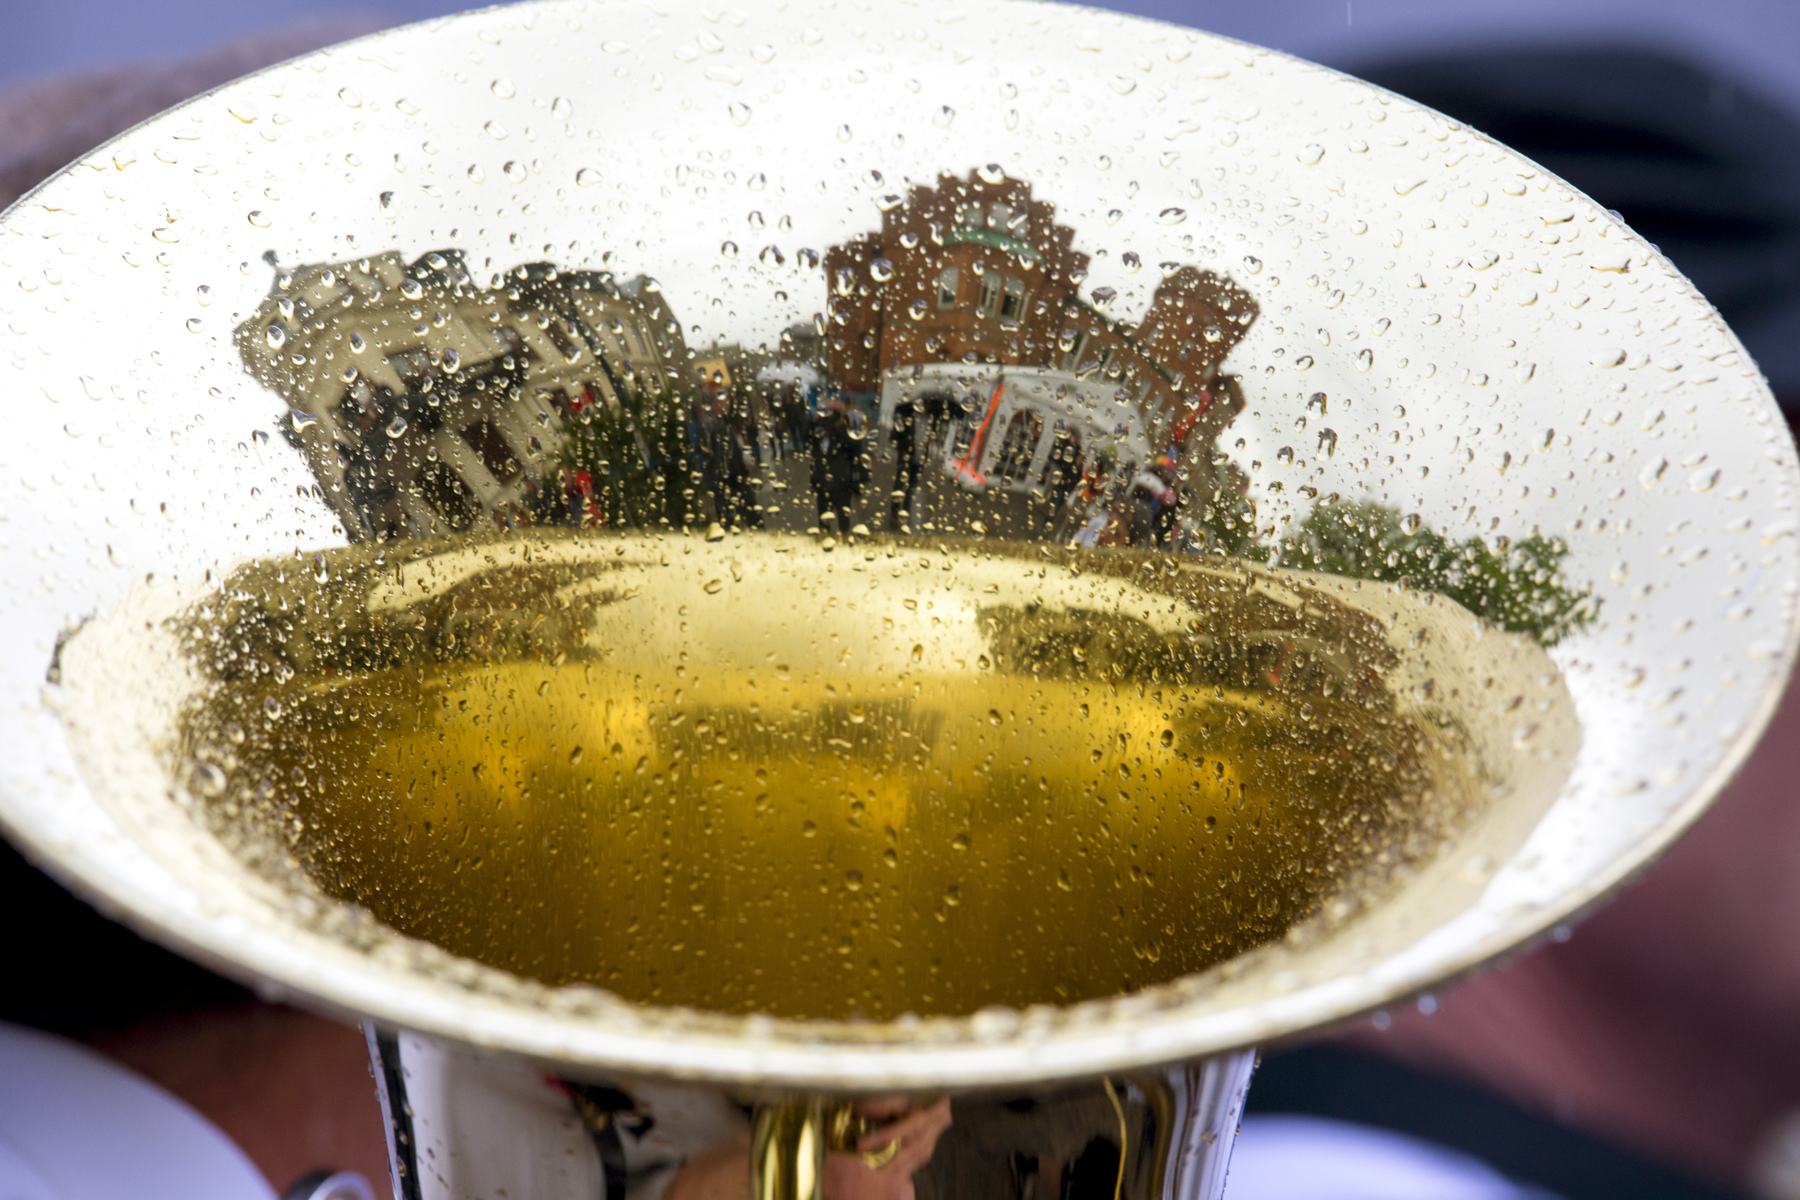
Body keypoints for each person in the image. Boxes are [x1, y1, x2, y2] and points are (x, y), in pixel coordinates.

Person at [888, 399, 925, 533]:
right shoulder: (905, 411)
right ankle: (895, 511)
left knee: (912, 485)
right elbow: (897, 433)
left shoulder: (928, 416)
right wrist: (902, 448)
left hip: (919, 456)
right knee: (900, 483)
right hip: (906, 454)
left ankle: (905, 512)